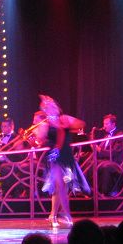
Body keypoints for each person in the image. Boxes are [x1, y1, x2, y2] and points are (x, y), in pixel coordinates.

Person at [35, 94, 90, 228]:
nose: (50, 108)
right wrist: (38, 130)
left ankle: (54, 215)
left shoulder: (64, 118)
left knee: (61, 187)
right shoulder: (46, 123)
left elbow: (82, 125)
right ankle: (67, 215)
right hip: (54, 155)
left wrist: (71, 127)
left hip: (66, 155)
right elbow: (40, 140)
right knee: (59, 185)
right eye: (46, 107)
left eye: (51, 106)